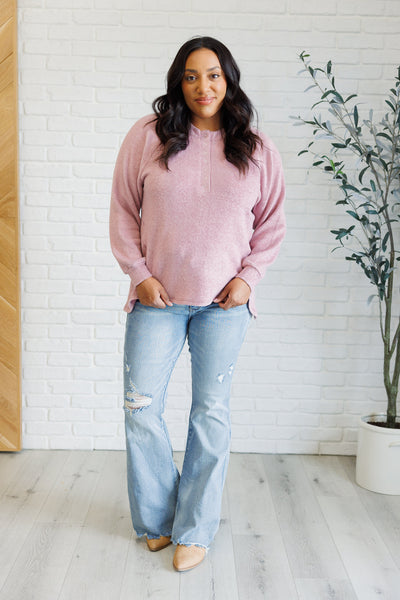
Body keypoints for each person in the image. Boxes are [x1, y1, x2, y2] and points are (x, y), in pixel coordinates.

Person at [109, 36, 285, 572]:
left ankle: (196, 528)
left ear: (228, 80)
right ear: (177, 82)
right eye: (190, 76)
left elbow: (271, 224)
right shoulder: (147, 136)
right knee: (141, 406)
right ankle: (159, 519)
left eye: (212, 75)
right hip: (156, 299)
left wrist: (249, 279)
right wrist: (139, 275)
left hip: (223, 306)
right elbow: (123, 210)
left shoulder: (256, 148)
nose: (202, 87)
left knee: (210, 414)